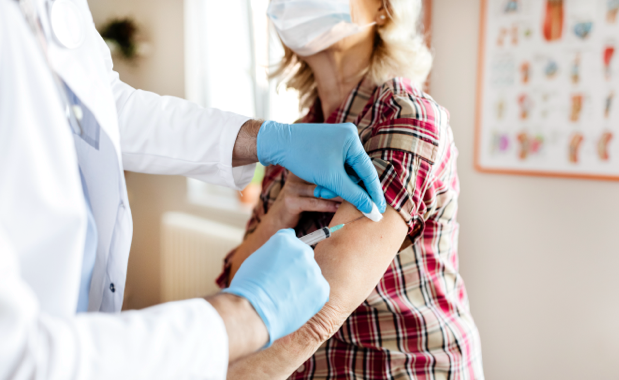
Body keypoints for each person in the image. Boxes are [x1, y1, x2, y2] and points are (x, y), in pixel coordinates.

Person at [0, 0, 387, 378]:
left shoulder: (398, 118)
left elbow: (105, 107)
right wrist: (243, 314)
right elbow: (19, 359)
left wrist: (261, 138)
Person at [221, 0, 484, 378]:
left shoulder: (406, 115)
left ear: (383, 9)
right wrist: (281, 210)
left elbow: (323, 307)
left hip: (404, 367)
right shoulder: (294, 137)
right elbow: (235, 278)